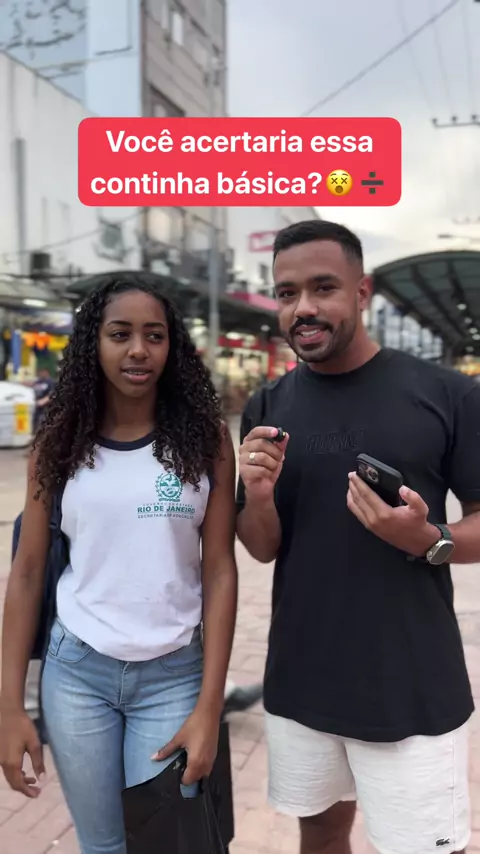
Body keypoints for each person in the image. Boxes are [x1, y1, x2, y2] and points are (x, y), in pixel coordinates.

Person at [236, 219, 480, 854]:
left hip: (411, 681)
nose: (304, 308)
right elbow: (262, 547)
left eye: (324, 288)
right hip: (301, 677)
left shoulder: (447, 394)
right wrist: (256, 496)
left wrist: (429, 539)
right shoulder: (267, 405)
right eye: (287, 293)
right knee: (320, 833)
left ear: (362, 291)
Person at [0, 273, 238, 854]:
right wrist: (7, 706)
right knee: (103, 846)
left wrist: (210, 706)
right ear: (94, 343)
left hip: (174, 676)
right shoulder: (58, 442)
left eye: (154, 335)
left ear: (172, 347)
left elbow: (220, 571)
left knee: (166, 844)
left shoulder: (206, 441)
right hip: (77, 674)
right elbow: (27, 573)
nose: (138, 350)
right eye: (120, 334)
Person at [32, 367, 55, 433]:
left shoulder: (50, 382)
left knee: (44, 424)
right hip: (37, 408)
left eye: (42, 371)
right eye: (40, 371)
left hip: (46, 408)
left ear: (46, 372)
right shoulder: (37, 382)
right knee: (35, 423)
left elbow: (52, 394)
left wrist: (42, 402)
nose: (41, 373)